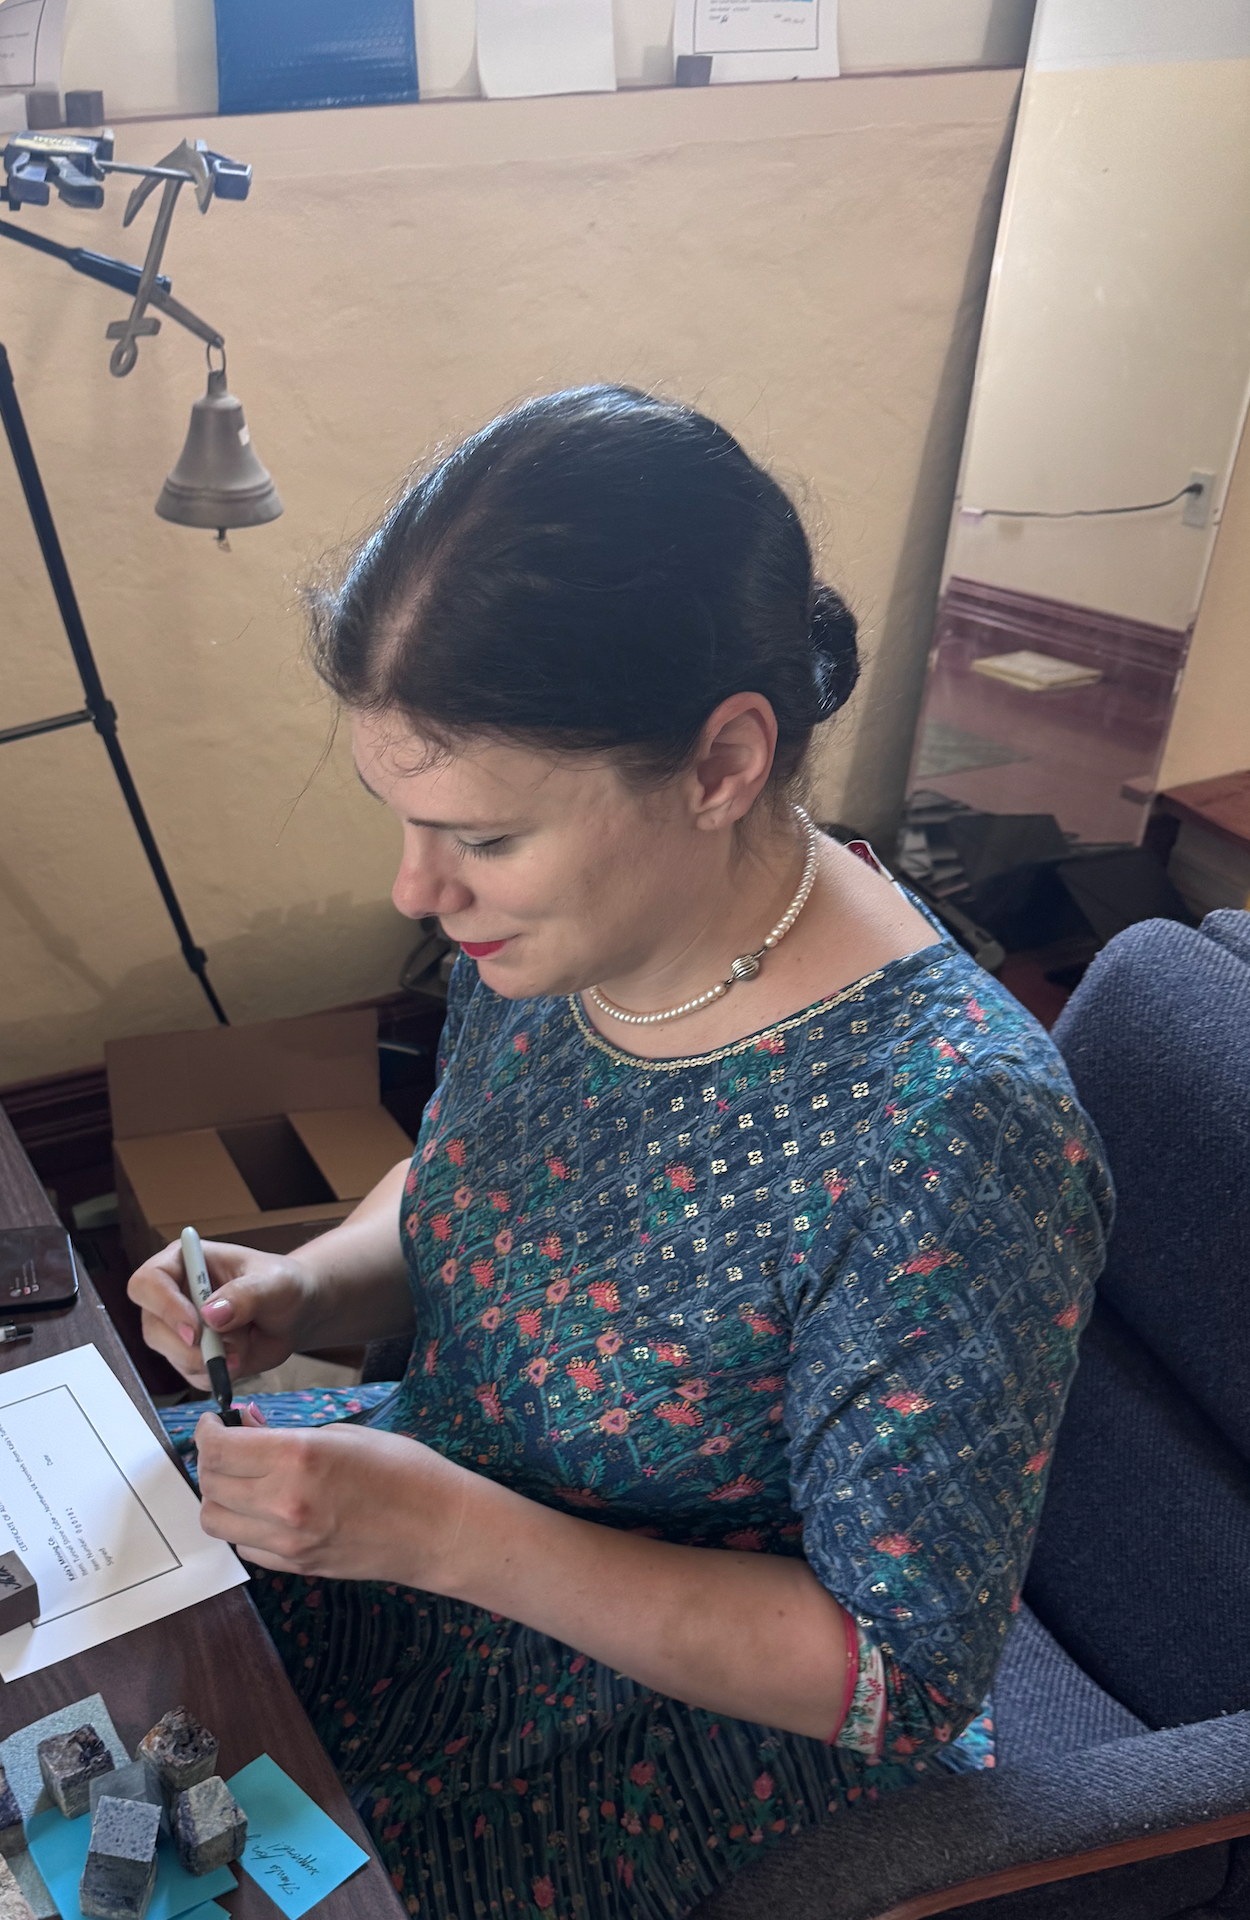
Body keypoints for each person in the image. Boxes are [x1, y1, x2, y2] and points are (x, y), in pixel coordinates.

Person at [130, 387, 1112, 1920]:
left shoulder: (950, 1128)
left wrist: (443, 1534)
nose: (416, 888)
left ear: (722, 763)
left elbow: (898, 1677)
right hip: (437, 1537)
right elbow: (467, 1192)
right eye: (403, 819)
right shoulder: (568, 933)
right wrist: (304, 1290)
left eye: (483, 835)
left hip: (666, 1736)